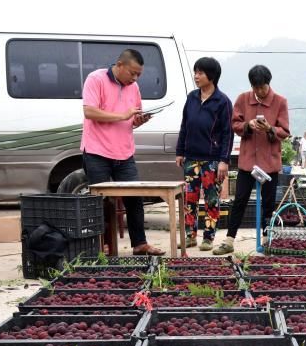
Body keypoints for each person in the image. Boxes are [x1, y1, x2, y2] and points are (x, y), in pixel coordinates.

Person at [81, 49, 162, 255]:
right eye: (132, 73)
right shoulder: (96, 79)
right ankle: (103, 245)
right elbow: (89, 111)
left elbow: (130, 120)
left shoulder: (133, 88)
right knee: (101, 201)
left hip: (124, 152)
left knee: (134, 198)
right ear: (119, 65)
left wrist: (138, 121)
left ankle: (140, 244)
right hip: (97, 151)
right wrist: (122, 115)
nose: (135, 78)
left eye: (139, 75)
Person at [214, 65, 289, 255]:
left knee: (268, 202)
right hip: (248, 162)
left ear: (268, 84)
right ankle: (230, 239)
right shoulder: (243, 99)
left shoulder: (280, 102)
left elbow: (285, 131)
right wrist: (248, 125)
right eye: (256, 88)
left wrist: (269, 129)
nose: (260, 92)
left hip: (269, 162)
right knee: (239, 200)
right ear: (251, 86)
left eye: (262, 88)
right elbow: (235, 124)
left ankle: (267, 238)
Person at [175, 57, 233, 252]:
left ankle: (208, 238)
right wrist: (180, 151)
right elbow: (184, 125)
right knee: (189, 198)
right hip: (190, 158)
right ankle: (190, 235)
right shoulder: (191, 97)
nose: (196, 76)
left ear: (212, 76)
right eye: (195, 72)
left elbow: (227, 133)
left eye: (200, 73)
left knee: (211, 199)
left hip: (212, 159)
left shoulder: (222, 101)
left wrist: (224, 161)